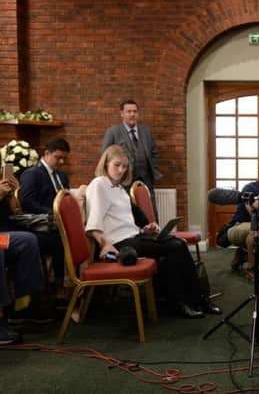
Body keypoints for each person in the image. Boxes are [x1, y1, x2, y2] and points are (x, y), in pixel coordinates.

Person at [85, 145, 219, 319]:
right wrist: (105, 243)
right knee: (176, 246)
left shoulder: (118, 188)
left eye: (125, 166)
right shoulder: (99, 185)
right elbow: (93, 224)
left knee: (175, 247)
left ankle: (190, 301)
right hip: (120, 244)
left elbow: (122, 222)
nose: (121, 170)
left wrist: (143, 229)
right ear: (105, 164)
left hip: (133, 236)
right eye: (117, 165)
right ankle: (189, 301)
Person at [19, 137, 71, 304]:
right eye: (58, 157)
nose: (61, 161)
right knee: (60, 240)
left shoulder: (62, 176)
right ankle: (59, 283)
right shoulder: (32, 173)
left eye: (64, 158)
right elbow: (26, 202)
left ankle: (77, 283)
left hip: (56, 225)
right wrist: (53, 213)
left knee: (79, 235)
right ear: (46, 153)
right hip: (37, 227)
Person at [0, 176, 46, 344]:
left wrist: (12, 195)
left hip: (4, 234)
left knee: (28, 240)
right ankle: (1, 319)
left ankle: (24, 305)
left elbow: (17, 212)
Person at [102, 99, 161, 219]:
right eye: (129, 111)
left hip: (146, 181)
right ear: (122, 114)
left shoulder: (146, 132)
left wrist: (153, 169)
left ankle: (154, 236)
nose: (132, 114)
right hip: (124, 182)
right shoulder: (113, 132)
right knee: (129, 215)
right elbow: (106, 155)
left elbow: (154, 153)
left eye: (135, 111)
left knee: (151, 214)